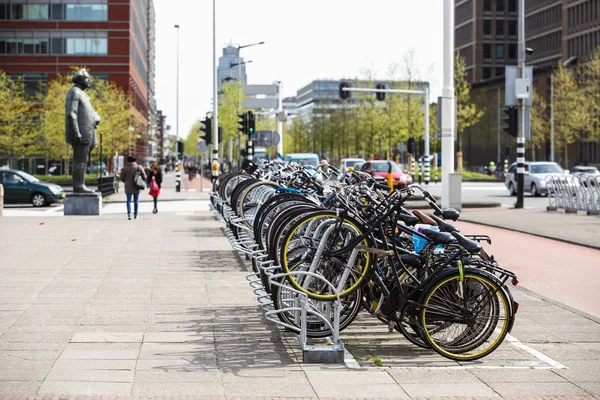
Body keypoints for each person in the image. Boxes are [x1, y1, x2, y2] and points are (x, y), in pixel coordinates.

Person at [120, 155, 146, 220]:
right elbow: (144, 177)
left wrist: (126, 181)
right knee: (136, 201)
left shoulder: (124, 168)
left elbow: (121, 178)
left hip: (128, 186)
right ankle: (136, 214)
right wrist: (141, 180)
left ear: (128, 160)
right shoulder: (138, 167)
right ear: (135, 160)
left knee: (128, 201)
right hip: (136, 186)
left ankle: (129, 214)